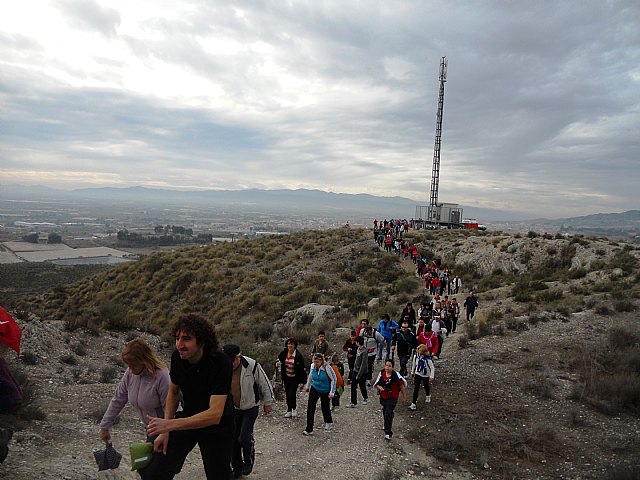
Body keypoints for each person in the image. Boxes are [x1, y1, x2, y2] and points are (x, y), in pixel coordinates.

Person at [144, 313, 234, 480]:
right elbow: (173, 391)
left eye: (186, 339)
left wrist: (170, 424)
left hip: (217, 427)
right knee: (153, 469)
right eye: (177, 338)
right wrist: (165, 431)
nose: (179, 345)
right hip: (189, 417)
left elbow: (214, 415)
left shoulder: (220, 363)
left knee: (219, 475)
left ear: (201, 341)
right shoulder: (177, 358)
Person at [99, 339, 171, 448]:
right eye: (128, 365)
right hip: (151, 430)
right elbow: (118, 400)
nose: (131, 369)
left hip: (166, 431)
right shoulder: (130, 374)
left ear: (144, 361)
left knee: (151, 465)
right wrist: (104, 426)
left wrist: (165, 432)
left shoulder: (162, 376)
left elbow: (171, 408)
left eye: (134, 365)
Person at [222, 344, 275, 478]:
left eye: (232, 361)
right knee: (233, 440)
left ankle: (248, 461)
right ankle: (237, 469)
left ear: (238, 357)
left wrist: (268, 402)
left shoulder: (251, 365)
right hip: (233, 409)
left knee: (244, 438)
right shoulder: (223, 367)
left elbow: (264, 383)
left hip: (250, 408)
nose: (230, 365)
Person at [303, 353, 337, 435]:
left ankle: (328, 422)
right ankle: (309, 428)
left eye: (317, 362)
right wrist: (307, 386)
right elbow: (310, 376)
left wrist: (332, 392)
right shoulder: (312, 366)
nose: (315, 364)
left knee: (325, 407)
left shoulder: (327, 368)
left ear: (321, 361)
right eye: (314, 361)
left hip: (325, 390)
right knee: (311, 407)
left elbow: (334, 379)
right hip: (315, 388)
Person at [374, 359, 407, 440]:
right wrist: (380, 387)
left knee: (387, 413)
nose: (387, 367)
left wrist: (404, 397)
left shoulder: (396, 376)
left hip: (393, 397)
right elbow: (377, 383)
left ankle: (388, 433)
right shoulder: (382, 374)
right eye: (386, 365)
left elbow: (402, 386)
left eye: (389, 366)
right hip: (384, 397)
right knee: (385, 411)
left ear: (392, 367)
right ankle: (387, 423)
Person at [277, 338, 307, 418]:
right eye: (289, 344)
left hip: (295, 377)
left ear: (295, 346)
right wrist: (277, 363)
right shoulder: (284, 353)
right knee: (287, 393)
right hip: (286, 377)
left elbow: (302, 369)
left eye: (292, 344)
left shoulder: (298, 355)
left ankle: (294, 408)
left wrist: (302, 382)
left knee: (292, 393)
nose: (290, 346)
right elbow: (279, 359)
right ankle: (289, 409)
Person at [408, 345, 435, 411]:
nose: (419, 351)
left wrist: (431, 376)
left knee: (426, 385)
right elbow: (414, 364)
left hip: (426, 374)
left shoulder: (428, 359)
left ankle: (428, 395)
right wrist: (412, 372)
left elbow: (432, 368)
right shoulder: (416, 356)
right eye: (418, 350)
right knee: (416, 388)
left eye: (420, 350)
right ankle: (413, 403)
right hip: (418, 373)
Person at [347, 336, 369, 407]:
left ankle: (365, 398)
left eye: (356, 342)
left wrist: (359, 375)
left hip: (361, 372)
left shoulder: (364, 351)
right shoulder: (358, 349)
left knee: (362, 386)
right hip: (355, 370)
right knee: (353, 386)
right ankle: (353, 402)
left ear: (358, 342)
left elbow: (363, 364)